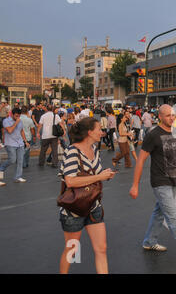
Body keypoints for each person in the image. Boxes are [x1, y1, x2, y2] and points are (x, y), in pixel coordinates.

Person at [129, 104, 176, 265]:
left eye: (173, 115)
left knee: (159, 212)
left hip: (174, 180)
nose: (172, 118)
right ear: (160, 117)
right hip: (160, 182)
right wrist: (135, 185)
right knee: (173, 218)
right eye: (168, 115)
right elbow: (140, 160)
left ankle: (149, 241)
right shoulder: (152, 135)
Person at [58, 117, 116, 274]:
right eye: (99, 129)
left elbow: (95, 174)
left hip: (93, 206)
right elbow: (70, 181)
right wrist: (99, 177)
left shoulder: (95, 150)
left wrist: (105, 174)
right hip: (74, 209)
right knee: (72, 250)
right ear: (90, 132)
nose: (102, 132)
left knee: (101, 249)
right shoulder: (72, 151)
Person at [0, 108, 30, 186]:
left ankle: (18, 177)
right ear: (12, 114)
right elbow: (9, 130)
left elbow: (21, 131)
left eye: (19, 116)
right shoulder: (6, 121)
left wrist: (25, 141)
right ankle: (1, 168)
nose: (18, 117)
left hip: (20, 143)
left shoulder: (20, 120)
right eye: (16, 116)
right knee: (12, 160)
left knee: (20, 161)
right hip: (10, 143)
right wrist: (16, 122)